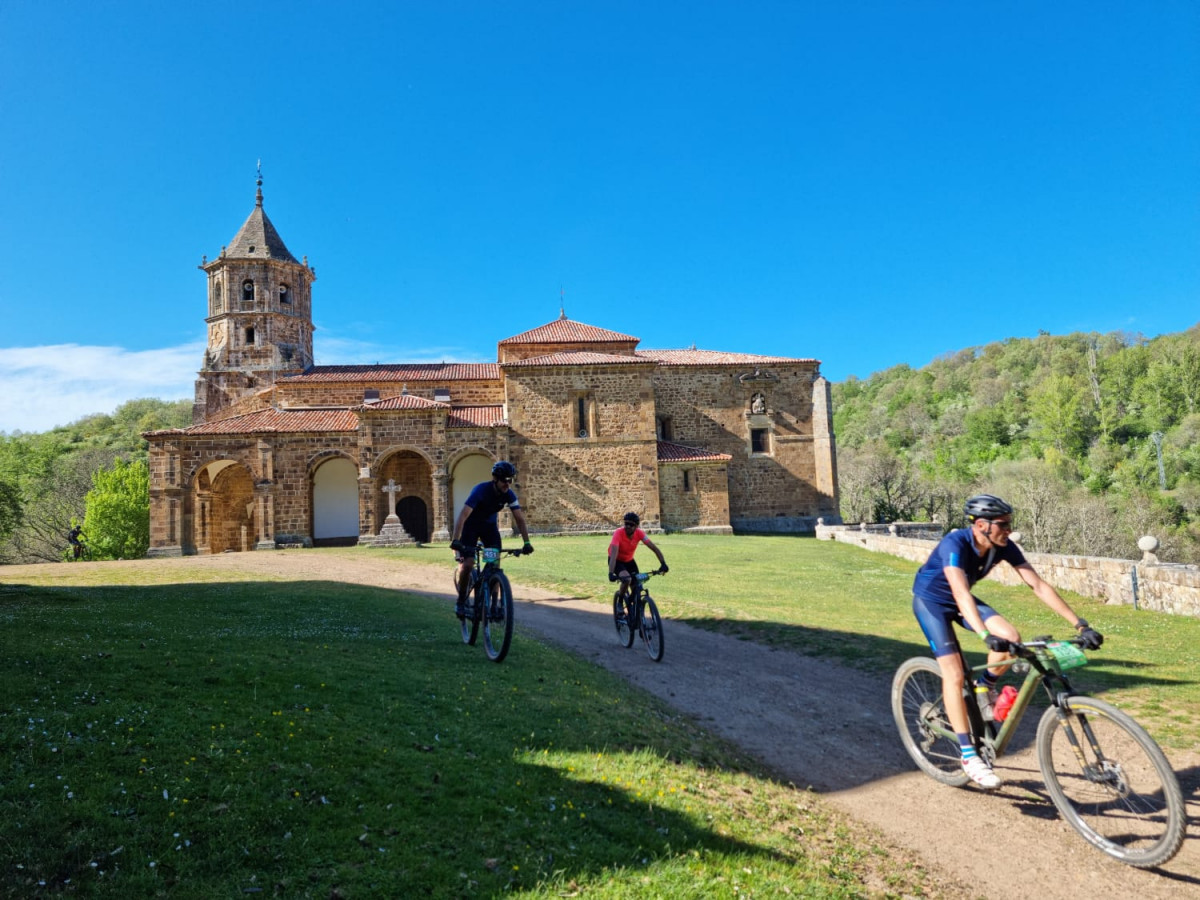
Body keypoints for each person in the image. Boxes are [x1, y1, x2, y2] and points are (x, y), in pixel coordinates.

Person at [911, 494, 1103, 789]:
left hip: (963, 602)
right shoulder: (955, 544)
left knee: (1011, 636)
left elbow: (1037, 584)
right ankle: (968, 756)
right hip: (933, 602)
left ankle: (983, 687)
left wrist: (1080, 624)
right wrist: (984, 636)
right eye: (1003, 524)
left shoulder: (1003, 546)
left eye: (1010, 523)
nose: (1009, 530)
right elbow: (961, 594)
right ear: (981, 525)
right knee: (954, 673)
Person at [450, 460, 533, 616]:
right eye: (504, 480)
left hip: (489, 529)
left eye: (511, 480)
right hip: (471, 527)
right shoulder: (481, 491)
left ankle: (494, 605)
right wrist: (456, 540)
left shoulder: (509, 494)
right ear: (495, 479)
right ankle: (461, 601)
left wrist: (526, 542)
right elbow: (463, 515)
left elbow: (520, 519)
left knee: (493, 565)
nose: (507, 484)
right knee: (468, 565)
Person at [608, 512, 668, 601]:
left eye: (631, 524)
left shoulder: (639, 533)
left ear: (636, 526)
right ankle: (620, 601)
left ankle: (636, 607)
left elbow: (654, 548)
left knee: (637, 584)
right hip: (617, 561)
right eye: (626, 524)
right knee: (627, 579)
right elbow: (613, 555)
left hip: (629, 561)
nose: (628, 526)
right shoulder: (618, 533)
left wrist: (663, 563)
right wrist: (611, 573)